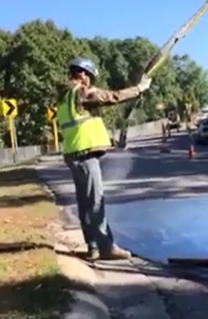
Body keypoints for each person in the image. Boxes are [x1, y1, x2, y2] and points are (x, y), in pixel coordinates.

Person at [57, 57, 152, 260]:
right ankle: (106, 247)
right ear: (82, 74)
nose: (89, 81)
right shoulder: (81, 91)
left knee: (85, 203)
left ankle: (93, 247)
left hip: (73, 154)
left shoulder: (65, 97)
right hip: (85, 154)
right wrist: (139, 89)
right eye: (89, 76)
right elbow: (112, 96)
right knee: (95, 202)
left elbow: (82, 123)